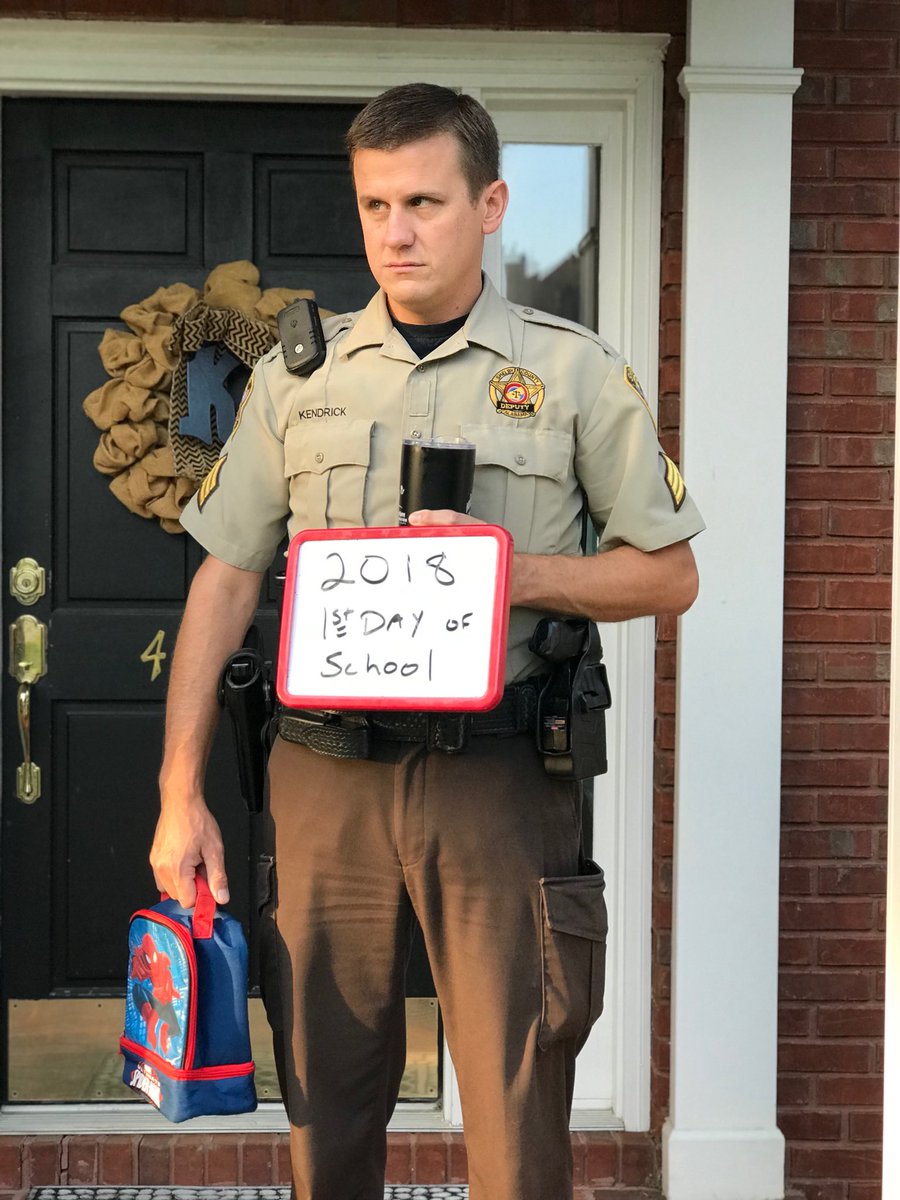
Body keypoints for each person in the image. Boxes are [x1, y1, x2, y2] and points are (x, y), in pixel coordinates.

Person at [150, 83, 704, 1200]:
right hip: (322, 777)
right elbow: (226, 573)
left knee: (513, 1096)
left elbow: (671, 571)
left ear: (491, 204)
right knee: (327, 1096)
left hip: (496, 777)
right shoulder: (295, 379)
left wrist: (513, 571)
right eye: (374, 205)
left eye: (426, 202)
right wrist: (179, 792)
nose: (395, 232)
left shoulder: (572, 374)